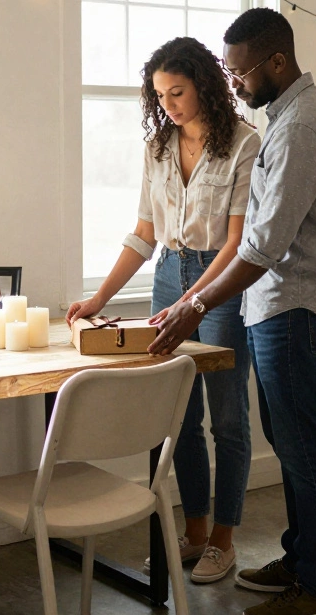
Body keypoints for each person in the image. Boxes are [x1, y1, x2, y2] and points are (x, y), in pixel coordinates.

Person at [150, 8, 316, 615]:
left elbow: (262, 245)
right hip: (276, 308)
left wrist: (197, 301)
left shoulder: (300, 129)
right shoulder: (287, 118)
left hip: (295, 307)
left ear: (277, 62)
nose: (233, 83)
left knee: (303, 448)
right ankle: (300, 558)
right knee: (290, 444)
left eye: (239, 72)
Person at [67, 36, 259, 585]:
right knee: (179, 418)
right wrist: (99, 299)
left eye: (177, 91)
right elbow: (144, 234)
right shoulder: (156, 149)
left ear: (204, 85)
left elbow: (237, 242)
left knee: (228, 420)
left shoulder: (244, 144)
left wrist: (191, 302)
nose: (169, 103)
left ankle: (223, 540)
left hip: (220, 284)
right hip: (167, 275)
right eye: (160, 95)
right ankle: (194, 532)